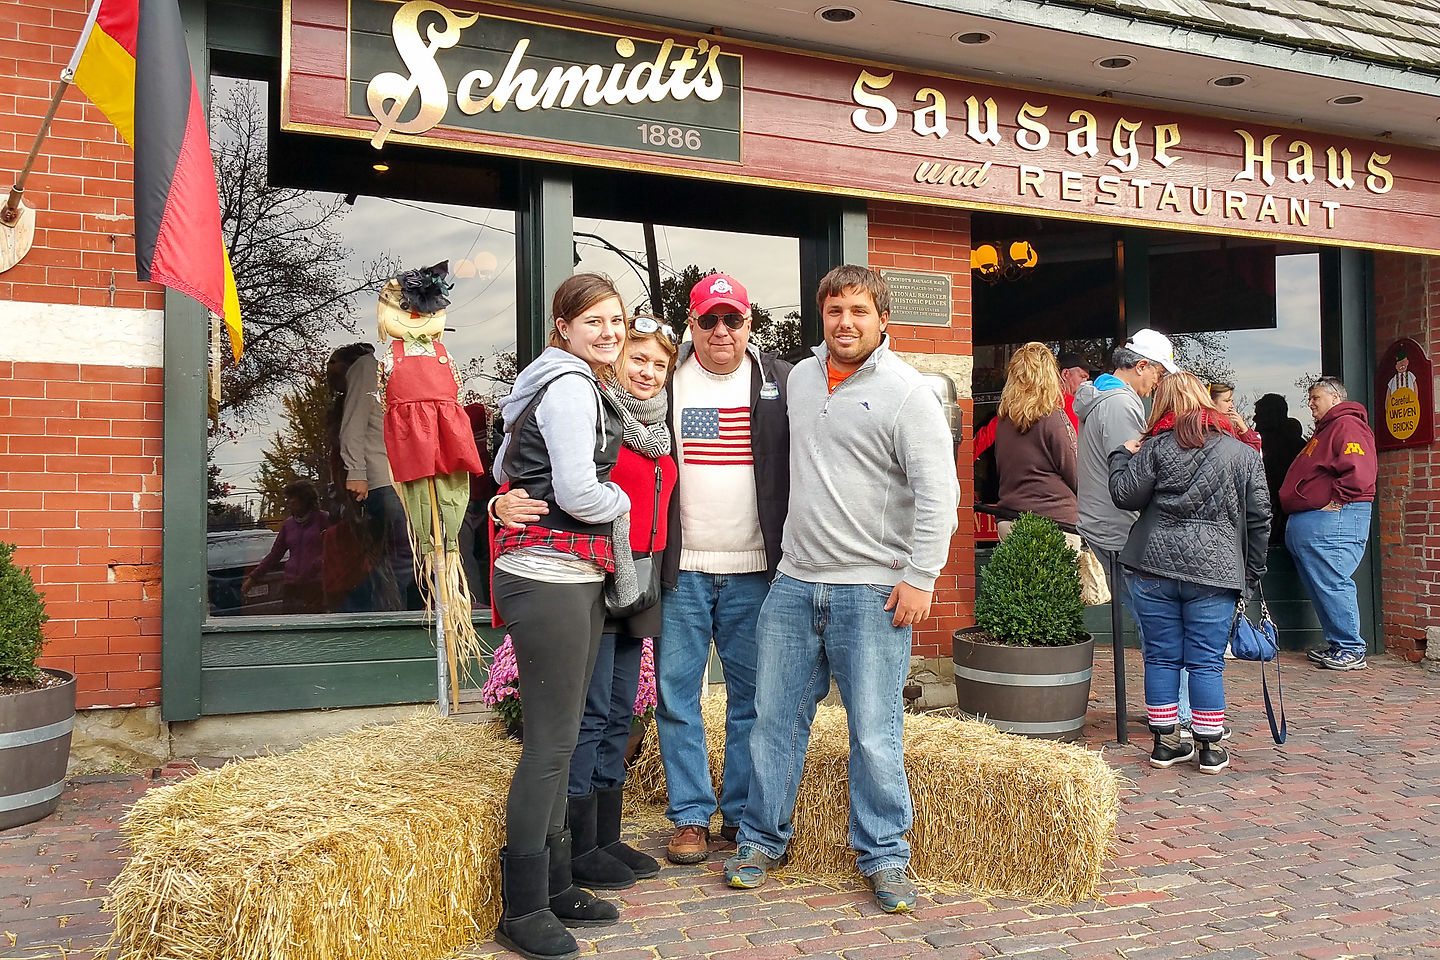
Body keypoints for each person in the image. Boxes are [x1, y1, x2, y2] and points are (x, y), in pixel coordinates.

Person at [499, 273, 793, 867]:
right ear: (692, 324)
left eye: (731, 319)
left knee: (750, 700)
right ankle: (689, 818)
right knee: (677, 700)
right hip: (675, 572)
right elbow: (528, 451)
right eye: (708, 319)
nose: (720, 330)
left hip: (754, 570)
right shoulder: (651, 388)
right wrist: (499, 498)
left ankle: (739, 816)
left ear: (748, 323)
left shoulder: (782, 383)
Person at [723, 265, 959, 914]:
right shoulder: (798, 379)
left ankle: (885, 857)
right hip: (795, 586)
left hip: (872, 593)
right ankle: (760, 842)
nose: (845, 322)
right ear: (820, 318)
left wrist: (920, 578)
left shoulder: (909, 394)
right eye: (834, 311)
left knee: (875, 733)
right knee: (773, 724)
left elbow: (941, 495)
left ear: (883, 319)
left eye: (858, 311)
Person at [497, 316, 680, 891]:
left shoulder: (661, 427)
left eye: (659, 364)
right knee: (590, 711)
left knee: (621, 708)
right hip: (593, 578)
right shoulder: (595, 411)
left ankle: (603, 836)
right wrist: (502, 506)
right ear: (617, 359)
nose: (647, 373)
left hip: (642, 579)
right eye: (638, 359)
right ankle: (574, 847)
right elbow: (530, 474)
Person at [488, 274, 632, 960]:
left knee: (564, 736)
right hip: (547, 574)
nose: (609, 333)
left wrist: (502, 500)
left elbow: (501, 468)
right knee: (550, 746)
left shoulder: (555, 382)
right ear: (564, 327)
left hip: (563, 572)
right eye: (594, 321)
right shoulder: (572, 385)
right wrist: (622, 504)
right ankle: (523, 907)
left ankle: (555, 880)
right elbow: (576, 488)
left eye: (617, 321)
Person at [1109, 372, 1270, 775]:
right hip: (1214, 572)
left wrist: (1120, 456)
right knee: (1206, 662)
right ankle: (1210, 750)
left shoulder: (1156, 447)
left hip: (1153, 565)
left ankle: (1166, 745)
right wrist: (1250, 575)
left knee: (1160, 656)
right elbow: (1259, 519)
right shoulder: (1242, 453)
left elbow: (1124, 495)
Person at [1073, 330, 1190, 731]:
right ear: (1140, 366)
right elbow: (1133, 477)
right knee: (1161, 626)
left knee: (1152, 624)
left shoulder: (1099, 398)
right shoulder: (1122, 404)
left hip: (1104, 525)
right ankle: (1177, 714)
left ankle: (1169, 710)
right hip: (1122, 531)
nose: (1158, 384)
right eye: (1157, 374)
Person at [1280, 376, 1378, 671]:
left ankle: (1351, 647)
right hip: (1319, 521)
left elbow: (1359, 472)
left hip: (1336, 517)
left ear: (1335, 398)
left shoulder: (1347, 425)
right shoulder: (1328, 429)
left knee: (1333, 581)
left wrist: (1336, 500)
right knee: (1323, 583)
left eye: (1316, 398)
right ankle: (1338, 643)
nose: (1310, 404)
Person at [333, 341, 414, 612]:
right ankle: (394, 618)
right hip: (388, 481)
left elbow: (353, 422)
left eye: (334, 374)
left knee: (396, 560)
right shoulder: (373, 368)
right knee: (398, 560)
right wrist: (356, 471)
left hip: (389, 481)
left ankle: (394, 617)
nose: (334, 385)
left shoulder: (366, 367)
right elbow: (354, 425)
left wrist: (356, 472)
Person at [992, 342, 1078, 548]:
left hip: (1010, 519)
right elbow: (1076, 473)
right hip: (1056, 523)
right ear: (1049, 376)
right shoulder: (1054, 417)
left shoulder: (1003, 421)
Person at [243, 479, 328, 614]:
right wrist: (253, 577)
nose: (288, 502)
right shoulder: (288, 525)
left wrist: (317, 564)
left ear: (304, 500)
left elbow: (333, 550)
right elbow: (275, 554)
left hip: (316, 585)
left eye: (292, 498)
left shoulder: (324, 519)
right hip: (291, 586)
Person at [1252, 393, 1306, 543]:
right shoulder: (1292, 445)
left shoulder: (1283, 448)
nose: (1254, 419)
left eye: (1259, 415)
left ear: (1270, 416)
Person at [1208, 382, 1263, 451]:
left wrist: (1244, 431)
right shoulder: (1208, 431)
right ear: (1211, 402)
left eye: (1232, 401)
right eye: (1227, 401)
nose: (1231, 406)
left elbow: (1253, 456)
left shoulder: (1232, 431)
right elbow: (1248, 457)